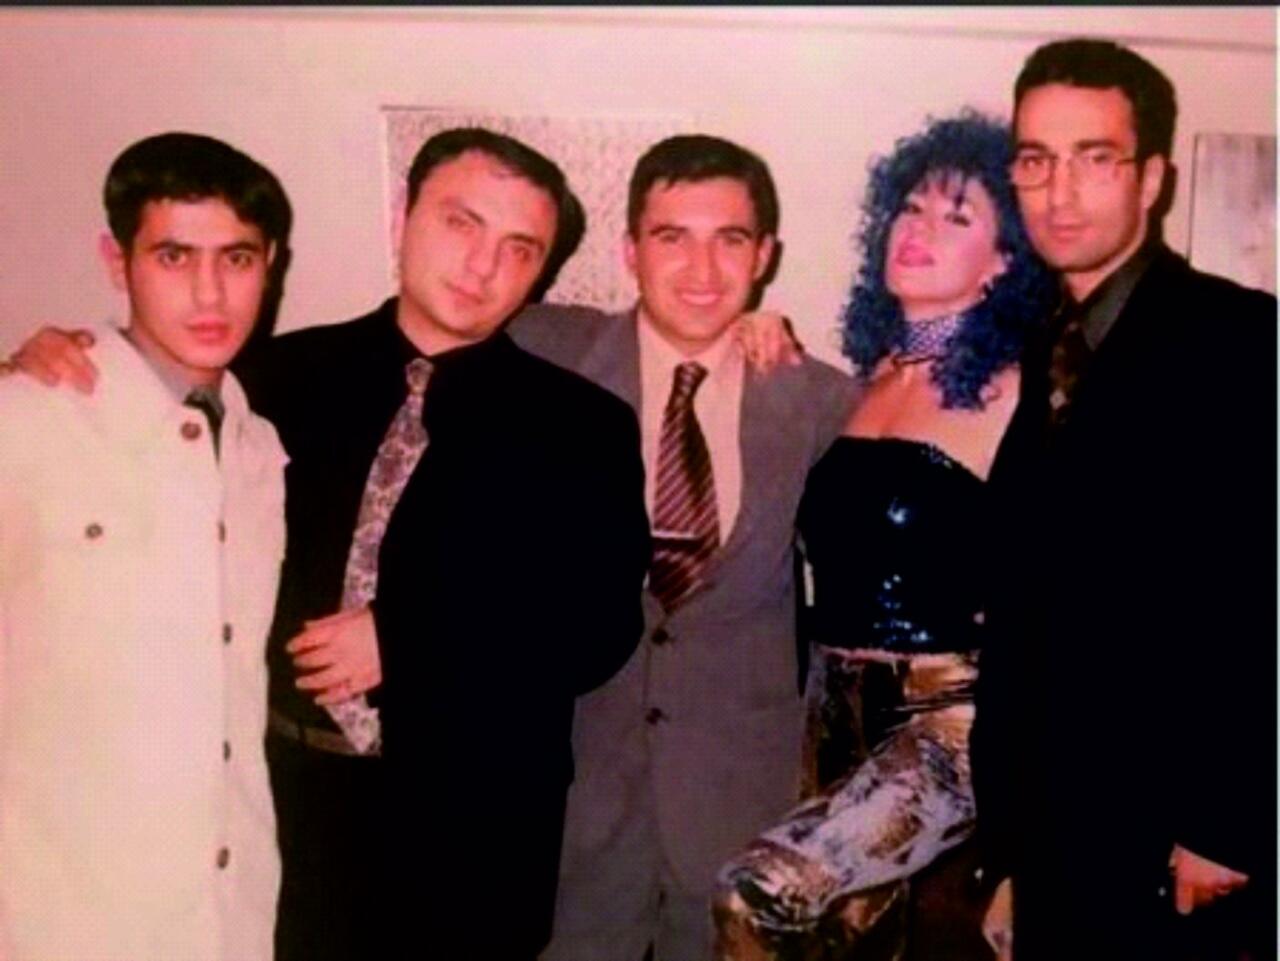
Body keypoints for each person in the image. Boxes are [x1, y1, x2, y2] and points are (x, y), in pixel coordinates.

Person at [6, 126, 651, 961]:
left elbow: (599, 625)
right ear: (400, 217)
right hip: (280, 819)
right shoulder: (268, 381)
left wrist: (409, 641)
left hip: (475, 839)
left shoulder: (582, 426)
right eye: (460, 223)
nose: (482, 264)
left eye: (519, 248)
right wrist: (47, 361)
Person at [711, 112, 1056, 961]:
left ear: (1004, 259)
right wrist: (754, 324)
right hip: (831, 704)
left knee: (759, 890)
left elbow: (1076, 589)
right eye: (910, 207)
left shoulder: (1025, 390)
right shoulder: (865, 383)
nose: (919, 228)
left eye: (957, 216)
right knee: (852, 943)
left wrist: (1032, 826)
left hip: (948, 714)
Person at [506, 134, 860, 961]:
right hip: (573, 792)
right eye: (673, 237)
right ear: (630, 250)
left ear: (764, 256)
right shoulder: (544, 352)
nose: (702, 269)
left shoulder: (818, 400)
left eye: (729, 239)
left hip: (742, 795)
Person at [971, 38, 1277, 960]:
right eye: (1036, 160)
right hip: (1059, 830)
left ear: (1151, 178)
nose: (1059, 193)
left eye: (1094, 158)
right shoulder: (1048, 346)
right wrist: (1010, 845)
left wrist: (1229, 818)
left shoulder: (1241, 340)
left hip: (1181, 844)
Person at [0, 132, 291, 960]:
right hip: (61, 917)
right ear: (115, 261)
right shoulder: (28, 421)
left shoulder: (261, 450)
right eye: (173, 256)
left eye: (237, 258)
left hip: (229, 913)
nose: (209, 292)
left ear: (270, 263)